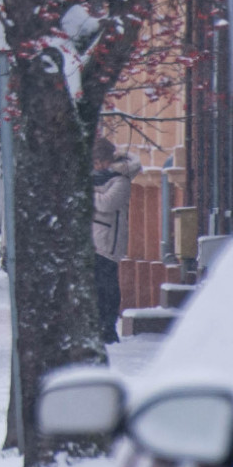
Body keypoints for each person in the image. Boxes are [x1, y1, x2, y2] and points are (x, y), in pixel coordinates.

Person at [91, 139, 136, 344]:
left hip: (108, 241)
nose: (96, 166)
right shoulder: (96, 179)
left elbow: (108, 203)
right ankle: (97, 325)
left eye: (98, 161)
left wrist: (88, 195)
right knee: (95, 286)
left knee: (107, 285)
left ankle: (107, 327)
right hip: (92, 238)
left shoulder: (121, 179)